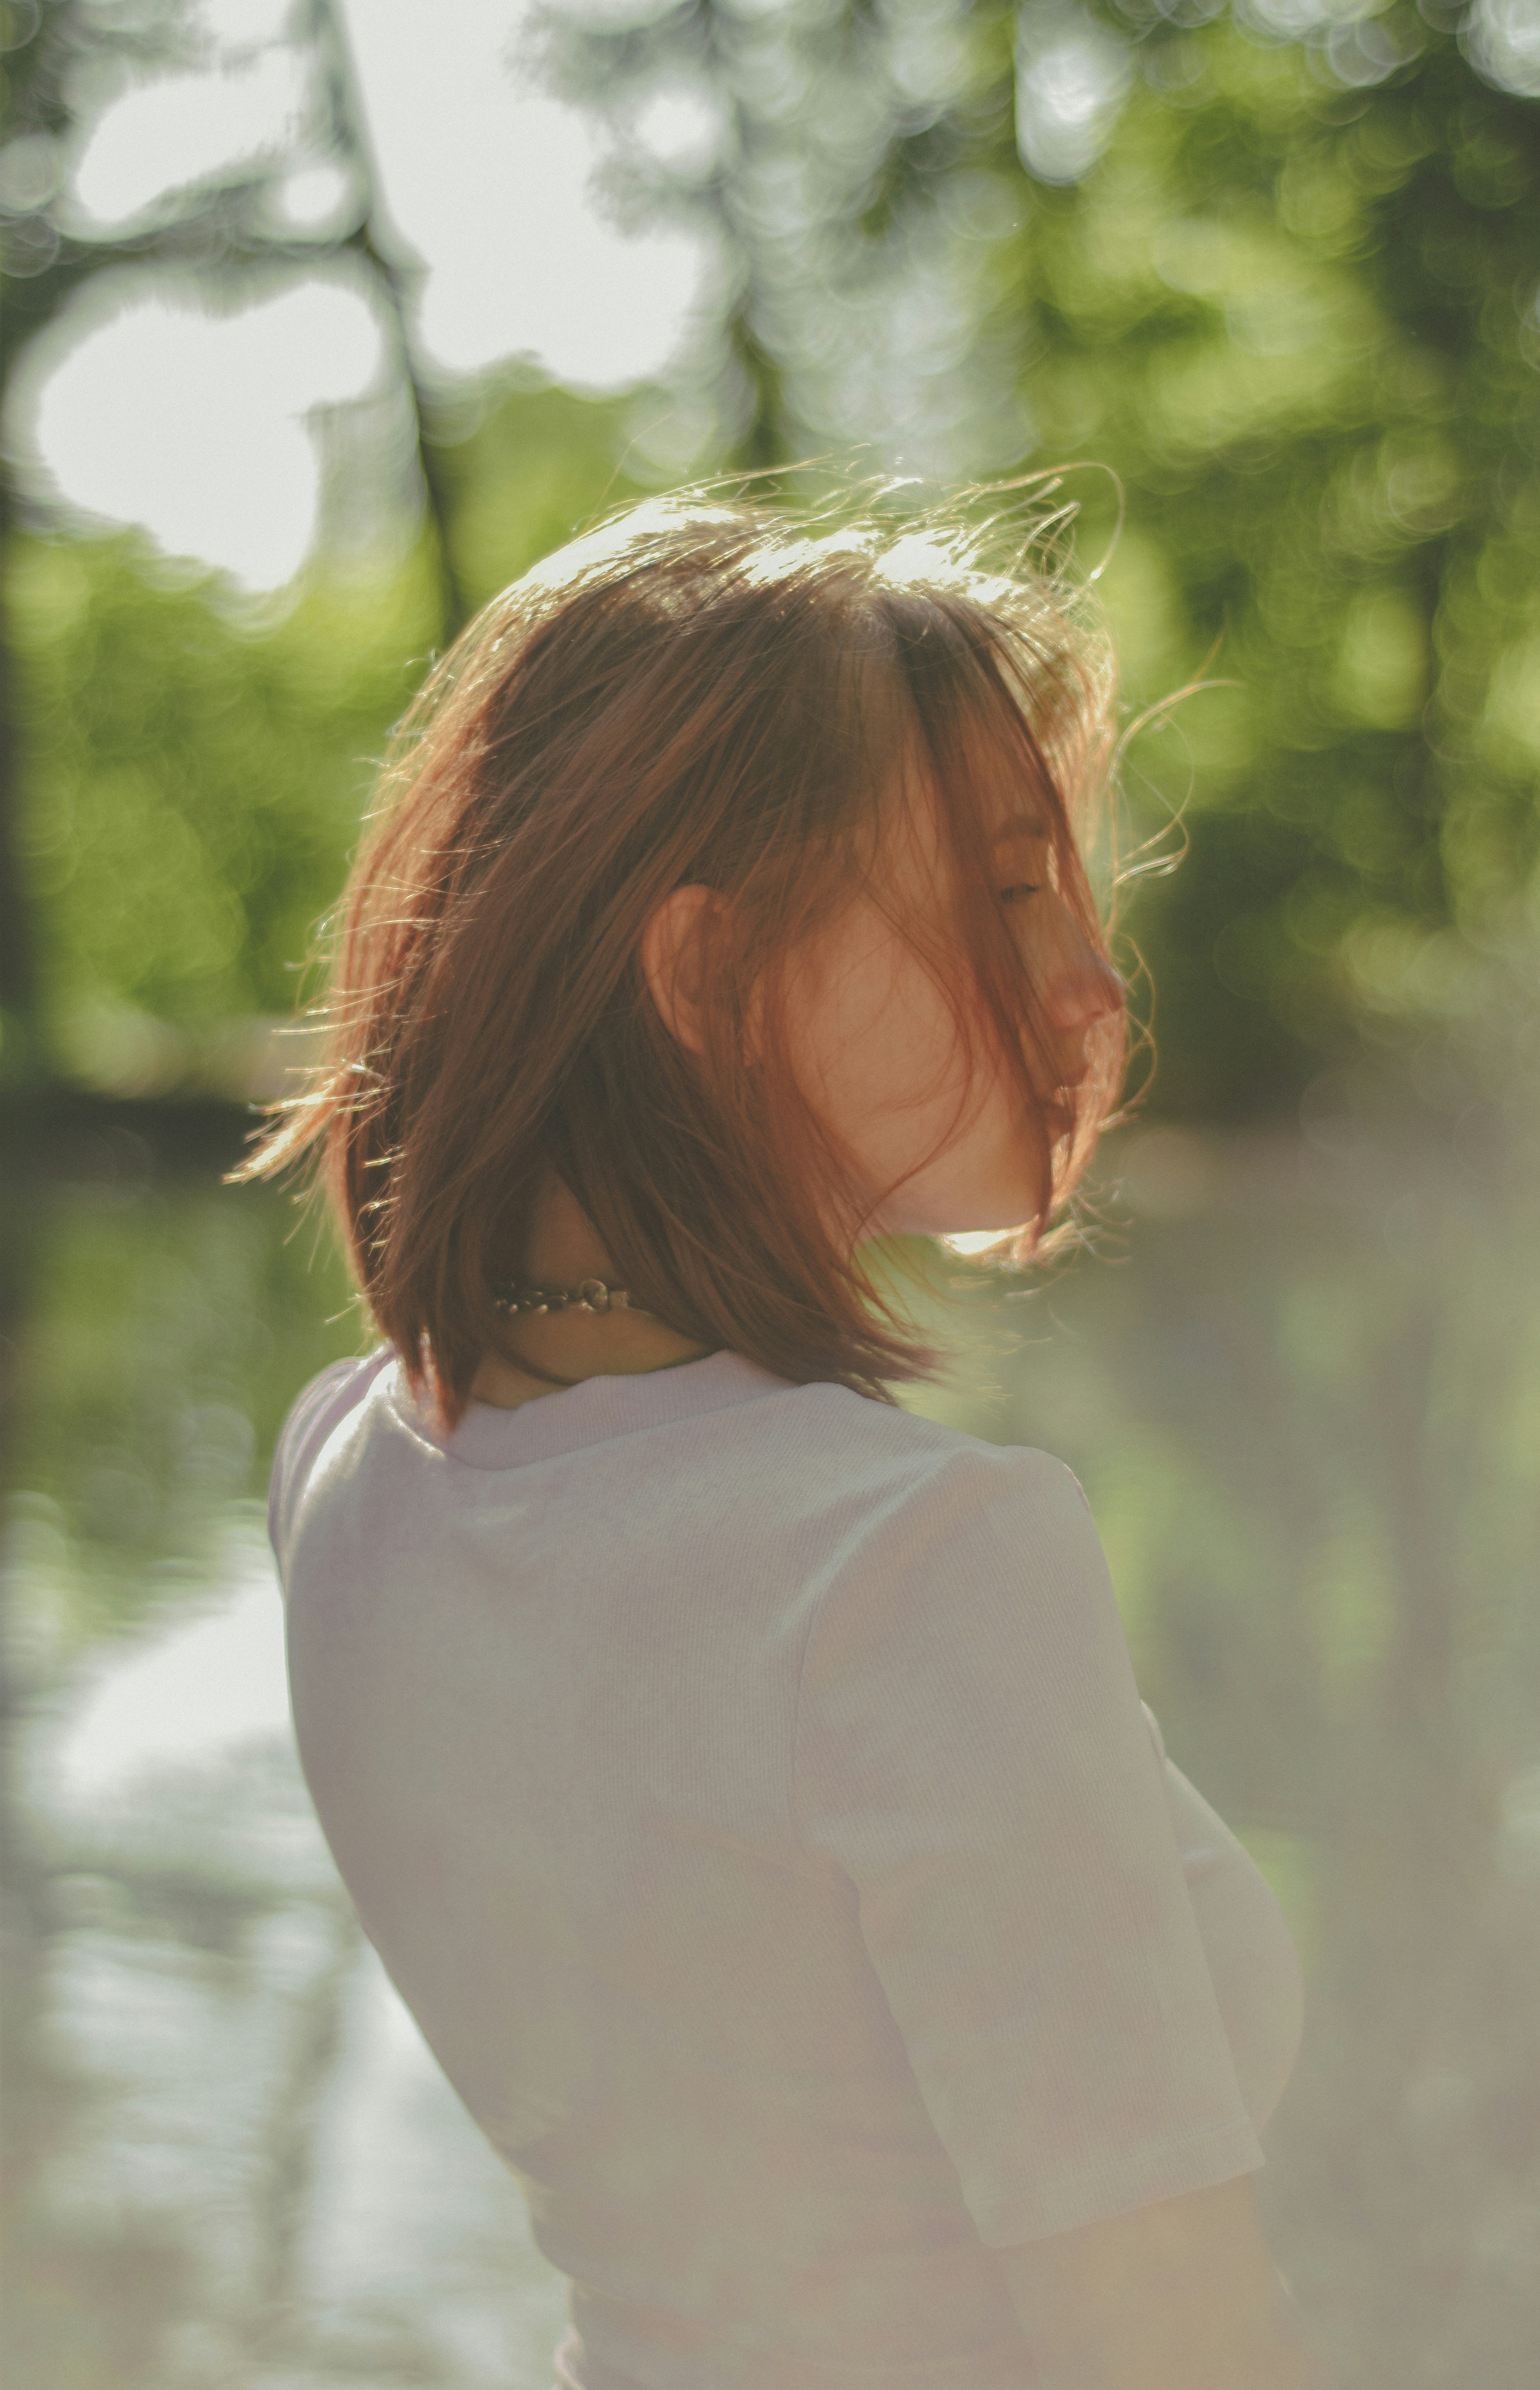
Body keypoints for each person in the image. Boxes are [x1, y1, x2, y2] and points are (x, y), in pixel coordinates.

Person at [245, 487, 1320, 2390]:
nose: (1089, 978)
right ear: (708, 976)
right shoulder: (907, 1564)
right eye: (1006, 888)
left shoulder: (343, 1470)